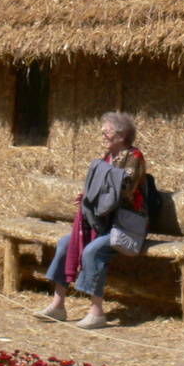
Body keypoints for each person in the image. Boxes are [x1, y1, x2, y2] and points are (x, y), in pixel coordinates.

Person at [37, 112, 147, 330]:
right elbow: (101, 189)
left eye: (107, 132)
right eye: (103, 132)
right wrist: (87, 196)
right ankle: (58, 306)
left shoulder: (134, 157)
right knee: (65, 244)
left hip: (125, 224)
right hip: (103, 222)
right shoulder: (106, 157)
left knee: (92, 251)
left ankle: (96, 313)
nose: (103, 136)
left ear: (122, 135)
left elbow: (125, 191)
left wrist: (97, 195)